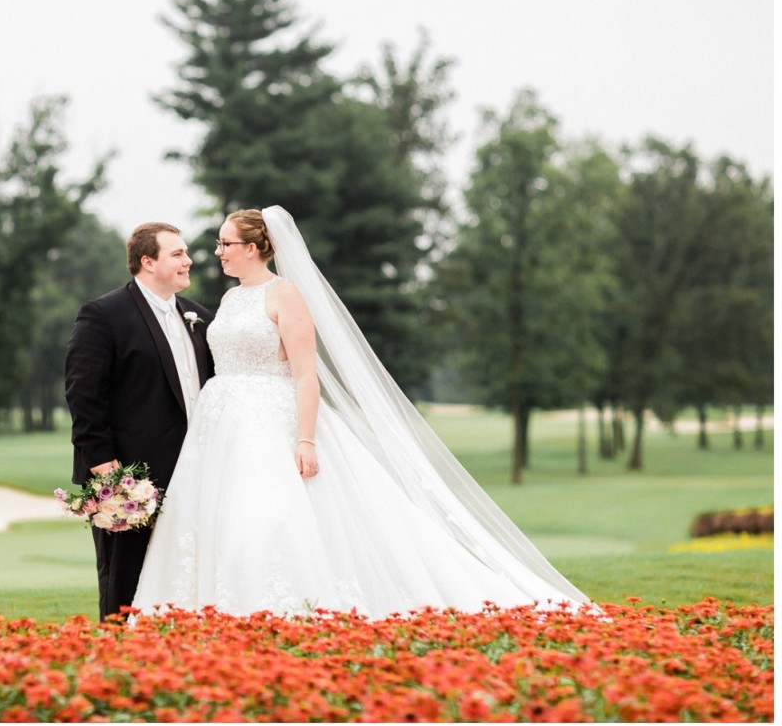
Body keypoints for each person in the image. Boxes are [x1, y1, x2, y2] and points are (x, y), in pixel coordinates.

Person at [131, 207, 590, 617]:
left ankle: (277, 610)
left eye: (224, 243)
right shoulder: (229, 301)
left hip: (271, 422)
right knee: (218, 520)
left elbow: (306, 374)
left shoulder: (285, 295)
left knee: (267, 517)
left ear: (252, 248)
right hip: (221, 428)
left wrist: (305, 439)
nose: (217, 252)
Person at [64, 222, 215, 620]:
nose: (189, 261)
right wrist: (105, 467)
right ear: (147, 262)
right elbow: (84, 395)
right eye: (177, 254)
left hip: (195, 470)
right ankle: (117, 660)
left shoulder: (199, 317)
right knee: (124, 579)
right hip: (130, 475)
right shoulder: (104, 315)